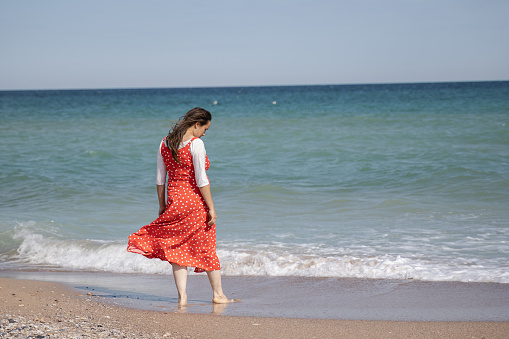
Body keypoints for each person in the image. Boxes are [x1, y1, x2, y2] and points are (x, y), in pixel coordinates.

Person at [127, 107, 231, 306]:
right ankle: (218, 294)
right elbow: (201, 180)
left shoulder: (165, 143)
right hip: (194, 203)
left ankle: (182, 298)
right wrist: (211, 208)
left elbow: (160, 179)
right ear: (196, 124)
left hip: (175, 202)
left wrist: (162, 205)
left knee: (177, 249)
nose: (204, 133)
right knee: (207, 247)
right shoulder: (196, 144)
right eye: (205, 129)